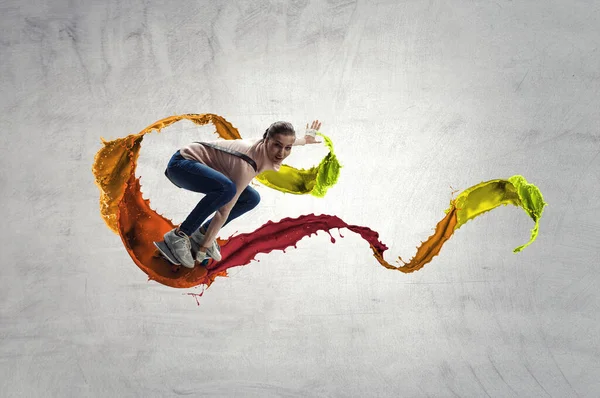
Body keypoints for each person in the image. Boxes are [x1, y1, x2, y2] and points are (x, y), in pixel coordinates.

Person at [162, 119, 323, 268]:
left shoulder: (264, 147)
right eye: (277, 145)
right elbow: (224, 210)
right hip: (182, 166)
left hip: (199, 169)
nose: (281, 153)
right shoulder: (247, 164)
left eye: (287, 148)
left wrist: (306, 140)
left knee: (252, 198)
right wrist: (203, 249)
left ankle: (202, 232)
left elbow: (292, 142)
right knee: (228, 190)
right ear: (266, 140)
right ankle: (179, 235)